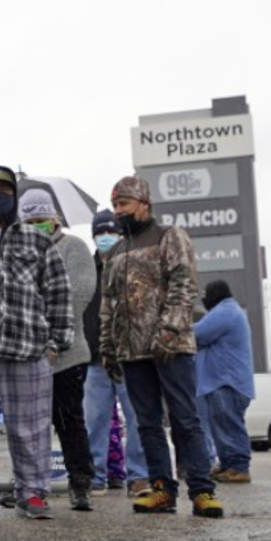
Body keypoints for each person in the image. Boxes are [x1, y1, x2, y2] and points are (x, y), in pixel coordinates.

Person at [0, 166, 72, 520]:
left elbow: (58, 291)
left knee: (30, 428)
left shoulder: (36, 241)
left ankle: (33, 492)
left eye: (5, 187)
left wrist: (55, 344)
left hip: (27, 350)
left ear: (14, 195)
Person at [99, 177, 223, 519]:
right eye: (115, 205)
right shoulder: (115, 252)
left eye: (124, 204)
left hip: (171, 347)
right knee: (147, 423)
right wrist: (108, 347)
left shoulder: (169, 236)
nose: (119, 211)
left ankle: (202, 491)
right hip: (132, 352)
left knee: (185, 418)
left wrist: (169, 330)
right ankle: (162, 489)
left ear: (143, 203)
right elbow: (108, 304)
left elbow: (184, 284)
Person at [20, 189, 97, 510]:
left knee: (69, 422)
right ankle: (29, 486)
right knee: (27, 426)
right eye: (29, 221)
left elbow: (78, 295)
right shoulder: (19, 252)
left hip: (67, 355)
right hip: (27, 355)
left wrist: (52, 338)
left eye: (40, 220)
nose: (36, 226)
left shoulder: (73, 248)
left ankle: (80, 482)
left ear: (53, 218)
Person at [83, 209, 151, 496]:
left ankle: (138, 477)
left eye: (110, 232)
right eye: (100, 233)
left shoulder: (133, 264)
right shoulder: (85, 268)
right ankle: (94, 476)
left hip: (129, 356)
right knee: (93, 419)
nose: (105, 237)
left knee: (138, 417)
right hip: (95, 358)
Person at [195, 280, 255, 483]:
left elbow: (198, 334)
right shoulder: (228, 310)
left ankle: (239, 467)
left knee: (229, 425)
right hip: (224, 381)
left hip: (226, 382)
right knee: (222, 426)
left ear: (215, 294)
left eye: (205, 294)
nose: (203, 299)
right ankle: (229, 465)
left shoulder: (224, 312)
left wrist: (176, 328)